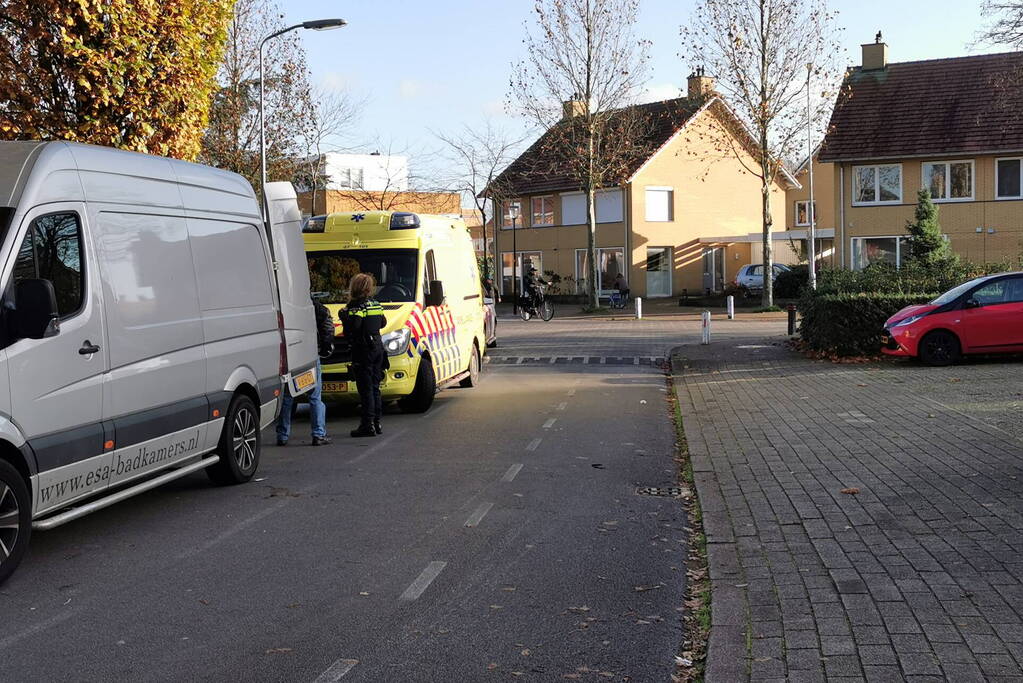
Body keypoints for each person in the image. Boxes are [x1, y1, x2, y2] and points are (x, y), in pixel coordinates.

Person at [276, 297, 334, 446]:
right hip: (309, 352)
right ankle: (318, 434)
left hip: (291, 354)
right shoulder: (311, 303)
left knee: (288, 396)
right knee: (315, 396)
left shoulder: (282, 304)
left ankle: (282, 435)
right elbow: (327, 321)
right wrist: (326, 345)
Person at [341, 272, 388, 438]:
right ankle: (376, 423)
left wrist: (344, 316)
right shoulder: (375, 304)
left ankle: (367, 425)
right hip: (378, 347)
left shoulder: (356, 305)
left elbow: (355, 326)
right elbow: (383, 322)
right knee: (375, 387)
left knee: (365, 389)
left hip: (363, 350)